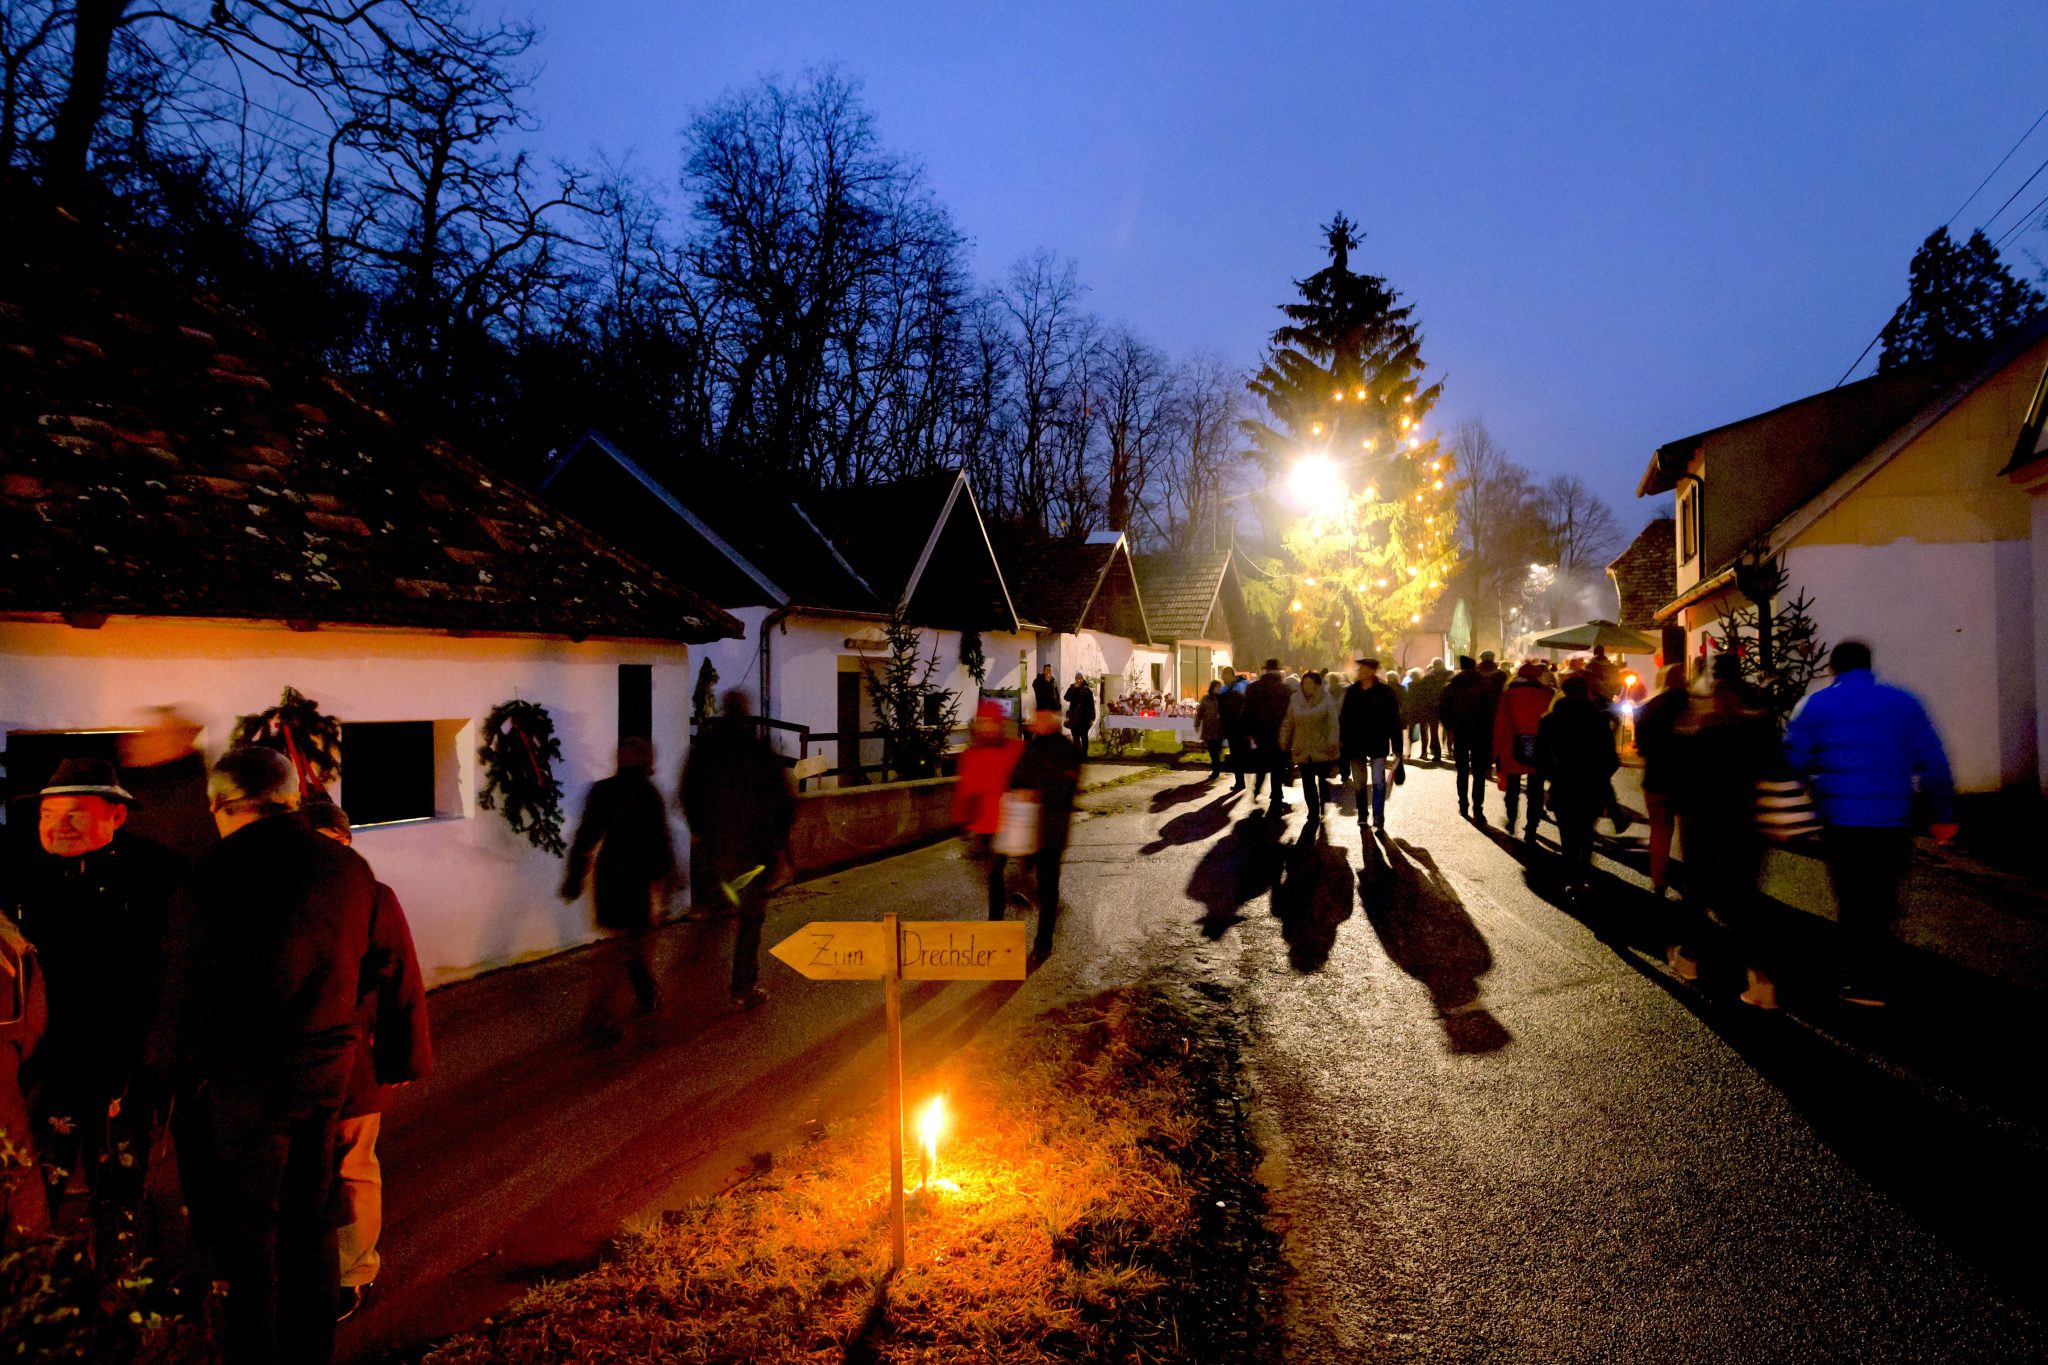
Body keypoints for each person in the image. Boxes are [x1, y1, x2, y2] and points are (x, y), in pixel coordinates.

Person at [156, 746, 381, 1365]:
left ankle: (254, 1352)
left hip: (248, 1081)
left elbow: (185, 990)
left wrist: (166, 1076)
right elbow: (366, 965)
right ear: (290, 799)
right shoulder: (347, 868)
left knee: (247, 1235)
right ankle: (312, 1349)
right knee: (311, 1217)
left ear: (220, 804)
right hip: (328, 1070)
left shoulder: (212, 875)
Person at [13, 756, 182, 1234]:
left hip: (125, 1066)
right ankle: (40, 1272)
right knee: (36, 1184)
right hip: (48, 1065)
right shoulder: (22, 874)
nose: (58, 826)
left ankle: (121, 1269)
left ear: (117, 815)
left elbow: (169, 978)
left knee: (122, 1187)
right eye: (48, 815)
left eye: (76, 814)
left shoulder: (157, 874)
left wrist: (150, 1060)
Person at [302, 803, 432, 1322]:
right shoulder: (284, 900)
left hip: (357, 1058)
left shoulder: (374, 897)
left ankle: (354, 1269)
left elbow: (401, 978)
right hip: (299, 1063)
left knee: (352, 1163)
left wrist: (401, 1058)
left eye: (331, 843)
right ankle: (309, 1264)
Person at [1784, 640, 1957, 1007]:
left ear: (1833, 668)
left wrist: (1794, 806)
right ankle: (1880, 970)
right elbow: (1935, 764)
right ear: (1868, 665)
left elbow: (1793, 761)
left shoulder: (1814, 705)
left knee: (1852, 897)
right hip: (1892, 821)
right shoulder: (1904, 702)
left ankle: (1861, 979)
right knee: (1882, 894)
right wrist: (1942, 816)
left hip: (1841, 821)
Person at [1667, 656, 1781, 1008]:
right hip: (1746, 823)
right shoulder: (1758, 726)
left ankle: (1689, 960)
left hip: (1703, 824)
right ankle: (1761, 979)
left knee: (1697, 893)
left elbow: (1680, 779)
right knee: (1743, 899)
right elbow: (1775, 768)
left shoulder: (1700, 728)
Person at [681, 692, 797, 1012]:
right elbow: (782, 800)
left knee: (715, 914)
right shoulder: (757, 750)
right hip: (752, 853)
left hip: (715, 850)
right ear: (745, 714)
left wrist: (700, 830)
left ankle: (690, 982)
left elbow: (688, 791)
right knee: (750, 919)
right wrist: (781, 842)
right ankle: (741, 989)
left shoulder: (705, 749)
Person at [562, 736, 676, 1029]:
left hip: (610, 874)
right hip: (636, 877)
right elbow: (660, 841)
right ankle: (606, 1012)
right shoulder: (649, 794)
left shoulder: (603, 791)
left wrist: (574, 877)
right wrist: (665, 880)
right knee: (633, 943)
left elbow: (586, 837)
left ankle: (640, 997)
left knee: (621, 942)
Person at [1536, 674, 1621, 900]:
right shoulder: (1598, 720)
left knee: (1568, 835)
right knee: (1585, 832)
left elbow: (1540, 758)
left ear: (1563, 692)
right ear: (1586, 691)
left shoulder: (1550, 721)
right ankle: (1583, 874)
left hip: (1563, 785)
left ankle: (1573, 880)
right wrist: (1598, 775)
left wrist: (1554, 775)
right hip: (1592, 786)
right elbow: (1611, 760)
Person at [1008, 710, 1082, 966]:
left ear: (1052, 719)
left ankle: (1043, 943)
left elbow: (1068, 788)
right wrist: (1018, 791)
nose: (1034, 722)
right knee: (1023, 879)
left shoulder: (1066, 750)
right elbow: (1016, 778)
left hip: (1052, 830)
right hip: (1028, 827)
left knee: (1048, 885)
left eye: (1039, 717)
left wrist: (1038, 793)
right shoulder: (1031, 748)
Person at [951, 701, 1024, 919]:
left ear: (999, 724)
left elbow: (1026, 778)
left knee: (994, 871)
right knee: (990, 873)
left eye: (991, 722)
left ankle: (996, 918)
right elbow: (965, 788)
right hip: (981, 823)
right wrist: (961, 820)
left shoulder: (1014, 750)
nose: (986, 727)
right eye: (983, 722)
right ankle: (1008, 898)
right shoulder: (971, 754)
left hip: (1005, 820)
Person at [0, 909, 48, 1245]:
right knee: (18, 1155)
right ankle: (30, 1248)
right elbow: (37, 1015)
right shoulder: (18, 947)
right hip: (6, 1056)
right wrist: (19, 1047)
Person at [1632, 664, 1691, 897]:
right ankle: (1692, 882)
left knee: (1659, 831)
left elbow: (1641, 746)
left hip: (1656, 777)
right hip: (1686, 779)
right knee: (1689, 834)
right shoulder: (1693, 706)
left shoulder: (1648, 708)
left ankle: (1659, 880)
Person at [1492, 660, 1555, 842]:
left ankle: (1512, 818)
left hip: (1512, 747)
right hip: (1540, 748)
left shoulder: (1508, 695)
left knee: (1513, 788)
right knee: (1535, 790)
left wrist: (1494, 752)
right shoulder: (1548, 694)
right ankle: (1531, 828)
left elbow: (1500, 725)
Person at [1339, 657, 1404, 833]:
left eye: (1362, 668)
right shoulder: (1352, 692)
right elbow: (1344, 718)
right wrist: (1342, 740)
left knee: (1378, 782)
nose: (1359, 671)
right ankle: (1362, 814)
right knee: (1359, 783)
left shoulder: (1385, 692)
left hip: (1378, 743)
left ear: (1371, 671)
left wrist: (1397, 748)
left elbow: (1394, 721)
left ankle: (1378, 816)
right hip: (1355, 744)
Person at [1440, 656, 1501, 822]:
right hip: (1481, 733)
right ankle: (1478, 809)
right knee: (1479, 772)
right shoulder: (1486, 686)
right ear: (1475, 668)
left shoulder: (1451, 687)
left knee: (1462, 771)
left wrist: (1450, 728)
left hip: (1460, 732)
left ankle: (1463, 805)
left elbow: (1443, 710)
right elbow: (1492, 711)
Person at [1279, 670, 1342, 829]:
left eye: (1310, 683)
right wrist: (1284, 739)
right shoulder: (1295, 699)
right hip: (1302, 746)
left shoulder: (1326, 699)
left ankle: (1323, 802)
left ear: (1317, 685)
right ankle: (1313, 812)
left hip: (1322, 747)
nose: (1306, 686)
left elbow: (1333, 723)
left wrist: (1332, 742)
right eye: (1304, 683)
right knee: (1307, 782)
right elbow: (1288, 721)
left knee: (1322, 778)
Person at [1245, 659, 1294, 813]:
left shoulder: (1253, 687)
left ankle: (1257, 788)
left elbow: (1247, 710)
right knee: (1278, 766)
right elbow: (1289, 712)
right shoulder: (1284, 689)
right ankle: (1276, 797)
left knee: (1262, 762)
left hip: (1260, 732)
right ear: (1277, 671)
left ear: (1265, 670)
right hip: (1279, 732)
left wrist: (1249, 731)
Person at [1409, 658, 1447, 762]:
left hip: (1426, 710)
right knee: (1433, 733)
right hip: (1432, 710)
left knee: (1426, 732)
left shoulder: (1426, 679)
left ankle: (1426, 752)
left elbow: (1420, 696)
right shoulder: (1438, 679)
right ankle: (1435, 753)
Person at [1219, 669, 1250, 789]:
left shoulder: (1239, 687)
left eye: (1223, 676)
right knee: (1236, 755)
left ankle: (1241, 782)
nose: (1222, 678)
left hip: (1238, 726)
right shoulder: (1233, 687)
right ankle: (1240, 781)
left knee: (1238, 755)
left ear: (1229, 675)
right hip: (1234, 726)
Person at [1196, 680, 1226, 777]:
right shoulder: (1206, 698)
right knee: (1212, 750)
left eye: (1220, 687)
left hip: (1219, 728)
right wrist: (1197, 723)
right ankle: (1216, 769)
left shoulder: (1222, 698)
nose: (1218, 689)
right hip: (1209, 728)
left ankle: (1217, 769)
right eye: (1217, 687)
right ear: (1212, 687)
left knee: (1217, 749)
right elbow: (1200, 712)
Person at [1064, 672, 1098, 756]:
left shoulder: (1087, 690)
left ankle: (1084, 755)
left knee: (1084, 737)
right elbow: (1066, 698)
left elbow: (1091, 705)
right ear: (1075, 679)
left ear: (1083, 679)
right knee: (1075, 736)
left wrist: (1091, 718)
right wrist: (1072, 688)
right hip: (1074, 717)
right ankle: (1077, 754)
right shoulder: (1072, 688)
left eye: (1080, 678)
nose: (1078, 680)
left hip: (1084, 718)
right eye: (1077, 678)